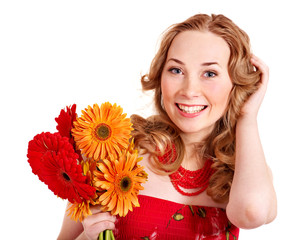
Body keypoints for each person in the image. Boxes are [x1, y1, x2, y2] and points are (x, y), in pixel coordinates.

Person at [58, 13, 277, 239]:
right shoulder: (114, 153)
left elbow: (252, 212)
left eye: (210, 73)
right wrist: (86, 237)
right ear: (160, 76)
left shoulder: (245, 169)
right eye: (176, 70)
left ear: (235, 84)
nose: (189, 90)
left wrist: (247, 117)